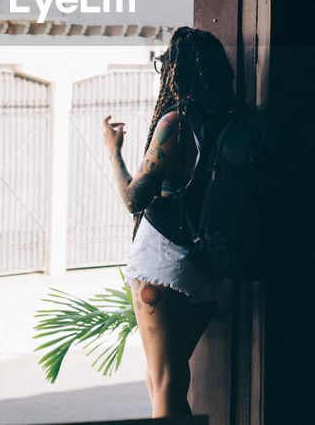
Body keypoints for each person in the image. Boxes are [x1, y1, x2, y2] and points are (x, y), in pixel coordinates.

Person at [101, 25, 235, 418]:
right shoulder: (227, 122)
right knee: (172, 377)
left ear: (175, 71)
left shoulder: (176, 122)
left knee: (162, 380)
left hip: (163, 264)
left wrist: (114, 152)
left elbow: (133, 198)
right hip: (204, 268)